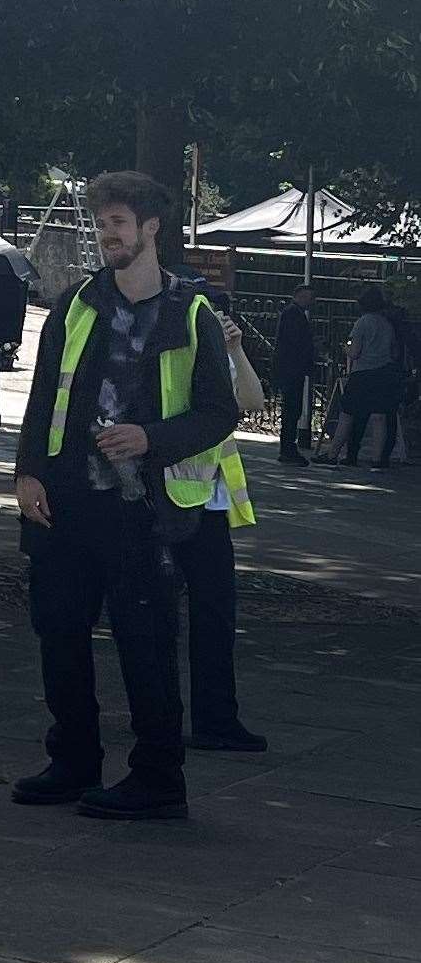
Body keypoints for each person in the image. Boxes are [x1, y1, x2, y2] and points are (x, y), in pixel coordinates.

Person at [12, 170, 239, 821]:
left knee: (146, 643)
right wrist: (27, 472)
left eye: (117, 223)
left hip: (144, 512)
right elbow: (43, 393)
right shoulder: (77, 304)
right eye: (101, 223)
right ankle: (73, 760)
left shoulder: (189, 311)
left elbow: (218, 413)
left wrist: (151, 437)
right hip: (64, 501)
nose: (106, 235)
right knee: (59, 631)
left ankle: (159, 780)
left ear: (150, 230)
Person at [171, 310, 268, 755]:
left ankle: (215, 718)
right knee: (156, 616)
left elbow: (252, 400)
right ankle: (158, 714)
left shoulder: (217, 351)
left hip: (207, 503)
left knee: (214, 615)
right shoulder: (169, 350)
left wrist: (235, 348)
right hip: (163, 498)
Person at [336, 286, 405, 470]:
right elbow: (395, 352)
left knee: (348, 414)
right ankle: (377, 459)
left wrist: (346, 348)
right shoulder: (387, 324)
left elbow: (355, 352)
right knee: (379, 417)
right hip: (383, 373)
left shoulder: (362, 323)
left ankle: (333, 453)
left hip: (362, 373)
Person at [274, 285, 316, 466]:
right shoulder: (293, 314)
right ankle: (288, 448)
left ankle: (289, 447)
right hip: (291, 369)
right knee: (291, 409)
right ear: (298, 296)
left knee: (292, 409)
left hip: (290, 369)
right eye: (308, 297)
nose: (310, 302)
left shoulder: (293, 313)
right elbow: (295, 343)